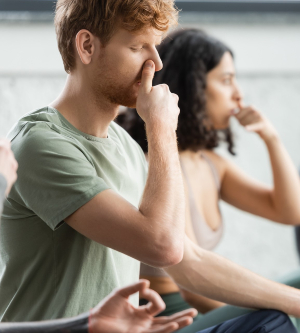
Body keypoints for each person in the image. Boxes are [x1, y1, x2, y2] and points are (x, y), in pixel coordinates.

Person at [1, 1, 300, 332]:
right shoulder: (42, 144)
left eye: (155, 47)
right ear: (87, 46)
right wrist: (160, 127)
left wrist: (294, 301)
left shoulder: (125, 146)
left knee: (274, 319)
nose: (156, 63)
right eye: (137, 46)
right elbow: (164, 246)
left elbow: (189, 261)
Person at [117, 28, 300, 331]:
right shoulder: (157, 163)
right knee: (278, 314)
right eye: (226, 80)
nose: (238, 94)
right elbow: (191, 285)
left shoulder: (211, 165)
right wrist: (277, 304)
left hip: (200, 309)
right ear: (195, 87)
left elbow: (291, 211)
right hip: (168, 317)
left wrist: (272, 138)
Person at [0, 139, 197, 332]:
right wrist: (163, 123)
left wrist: (88, 324)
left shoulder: (126, 145)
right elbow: (164, 247)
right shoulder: (38, 145)